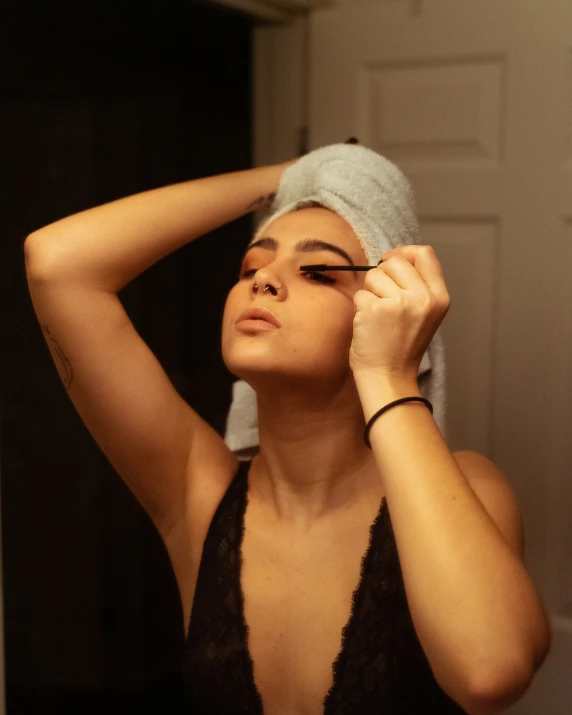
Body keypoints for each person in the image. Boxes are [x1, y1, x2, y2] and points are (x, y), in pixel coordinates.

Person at [24, 146, 551, 715]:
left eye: (318, 272)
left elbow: (490, 672)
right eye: (251, 267)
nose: (264, 282)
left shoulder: (468, 487)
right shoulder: (197, 493)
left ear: (384, 309)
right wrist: (304, 175)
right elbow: (57, 262)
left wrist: (388, 374)